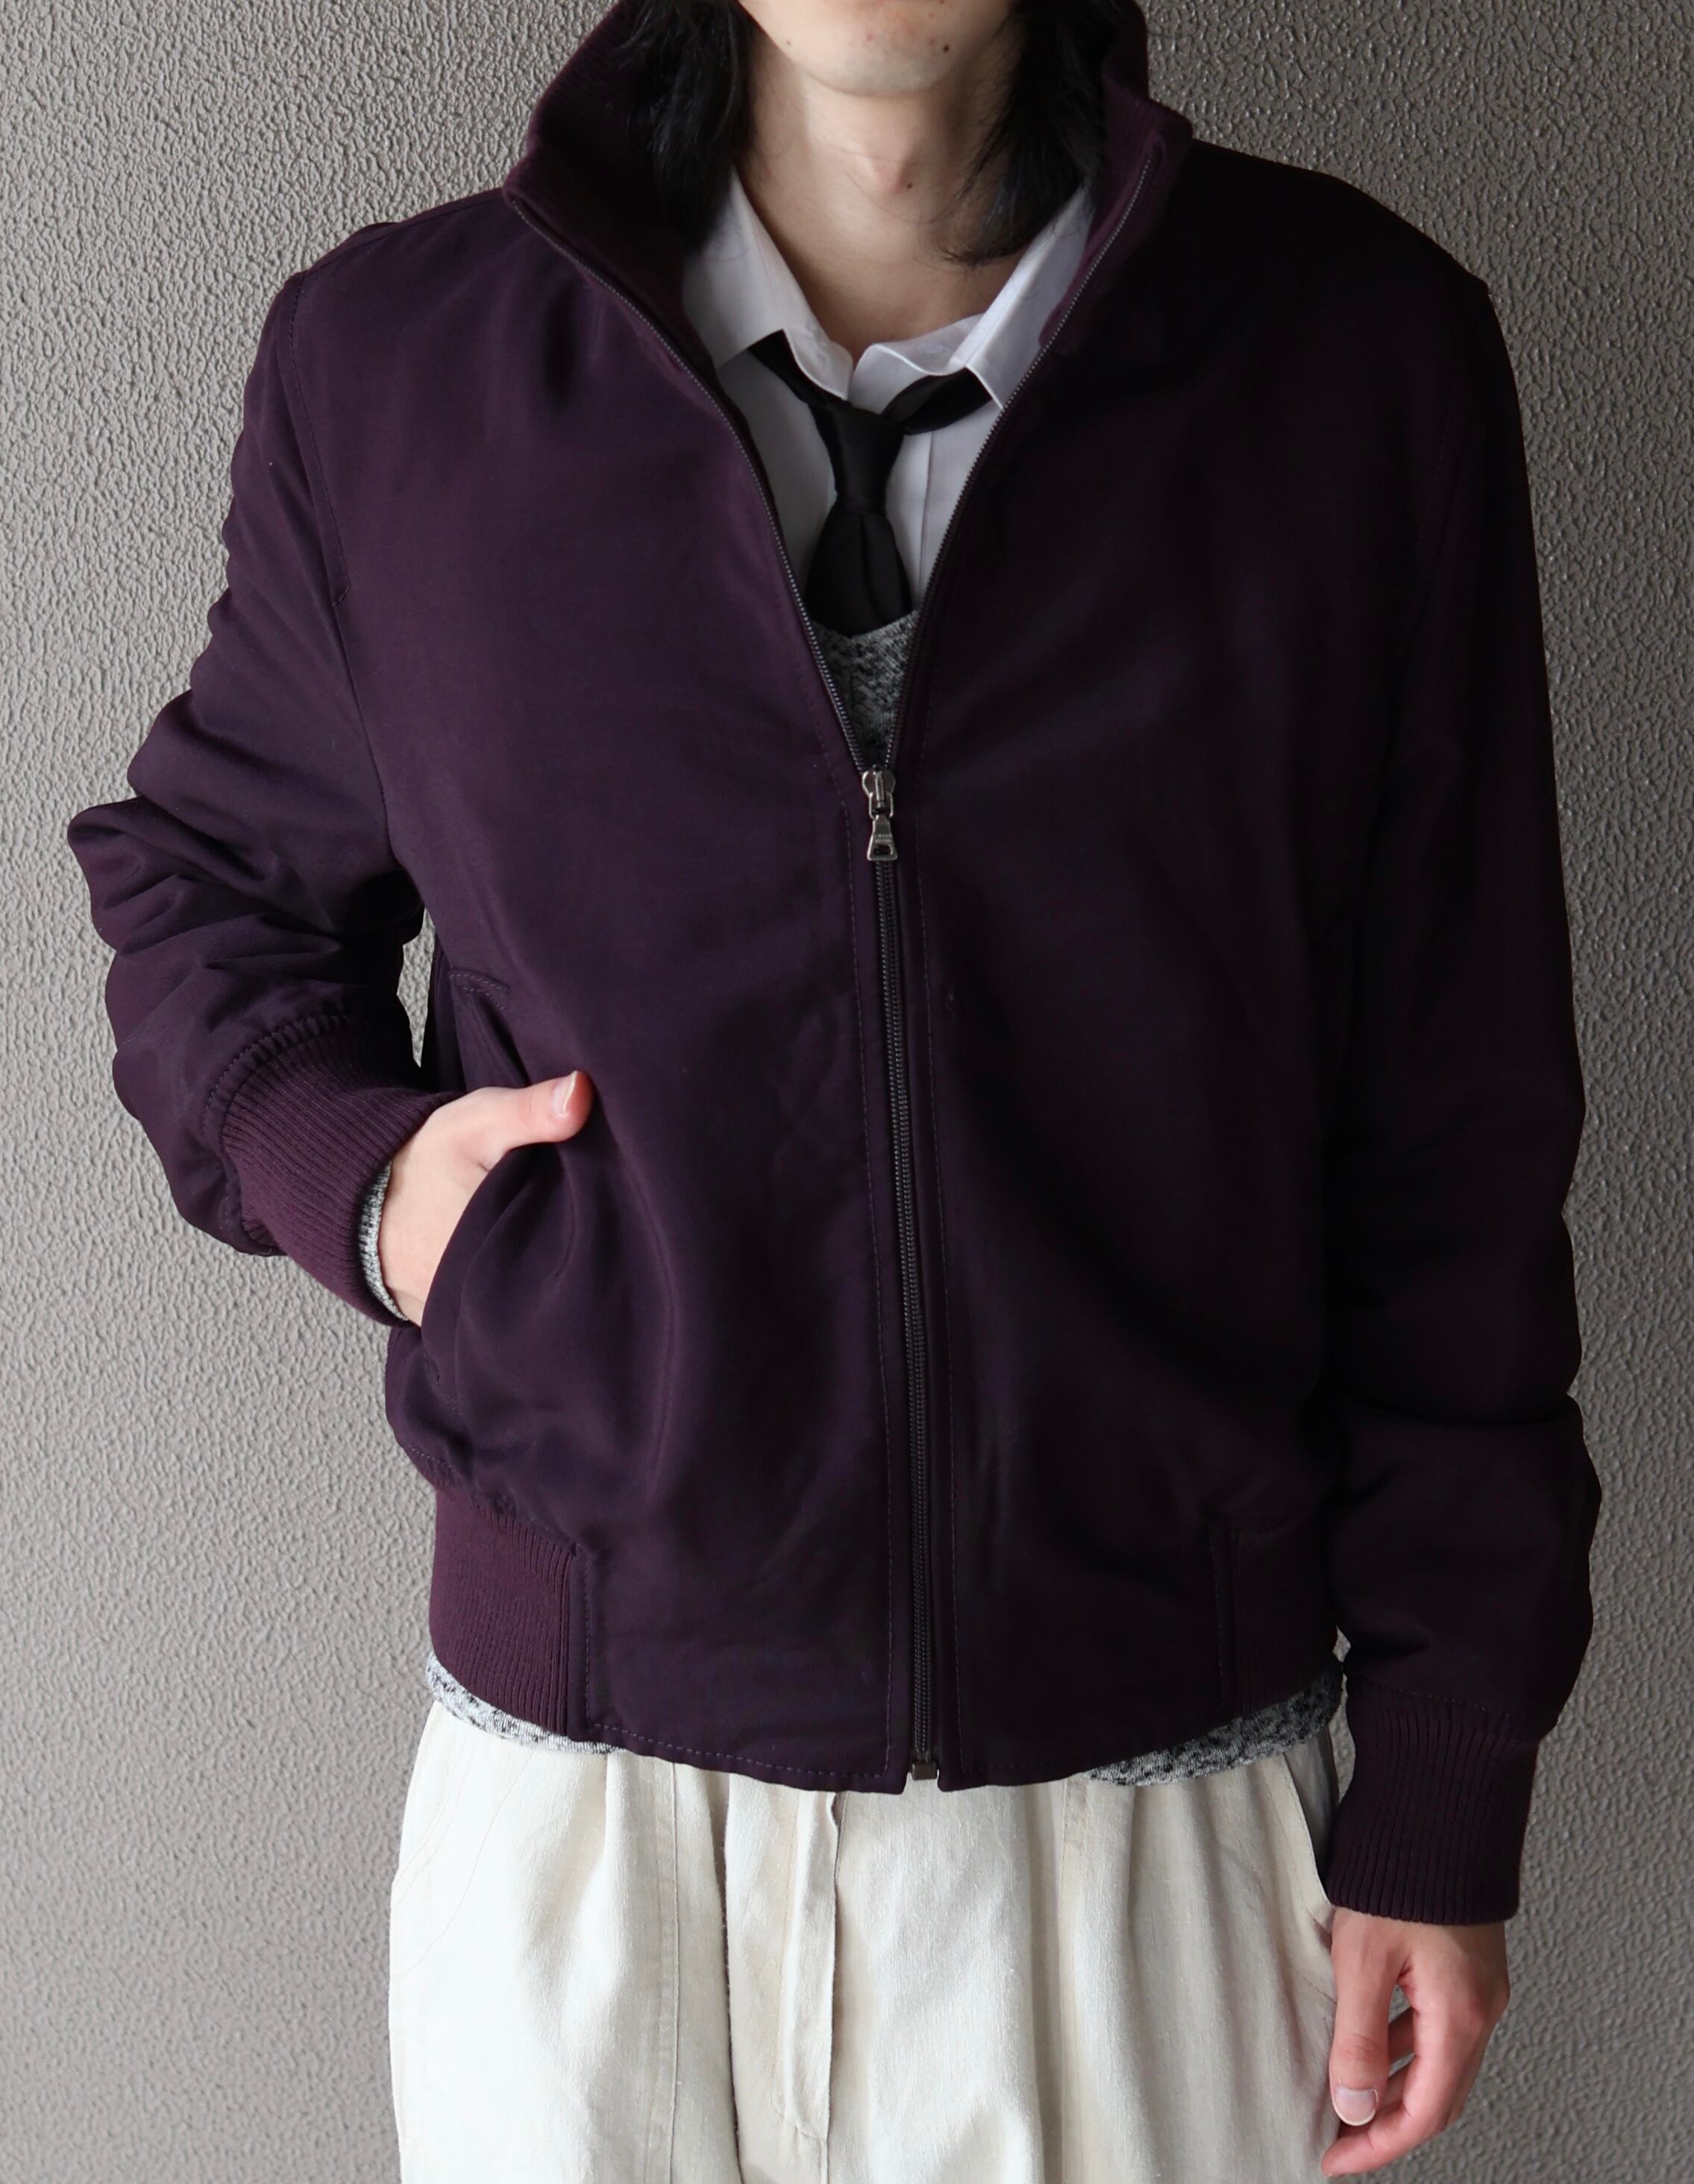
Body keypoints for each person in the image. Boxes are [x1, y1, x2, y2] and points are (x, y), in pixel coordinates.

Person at [65, 1, 1601, 2177]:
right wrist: (374, 1189)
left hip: (1149, 1840)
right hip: (583, 1857)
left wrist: (1447, 1771)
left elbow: (1459, 1128)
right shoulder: (395, 368)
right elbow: (206, 890)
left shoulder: (1360, 363)